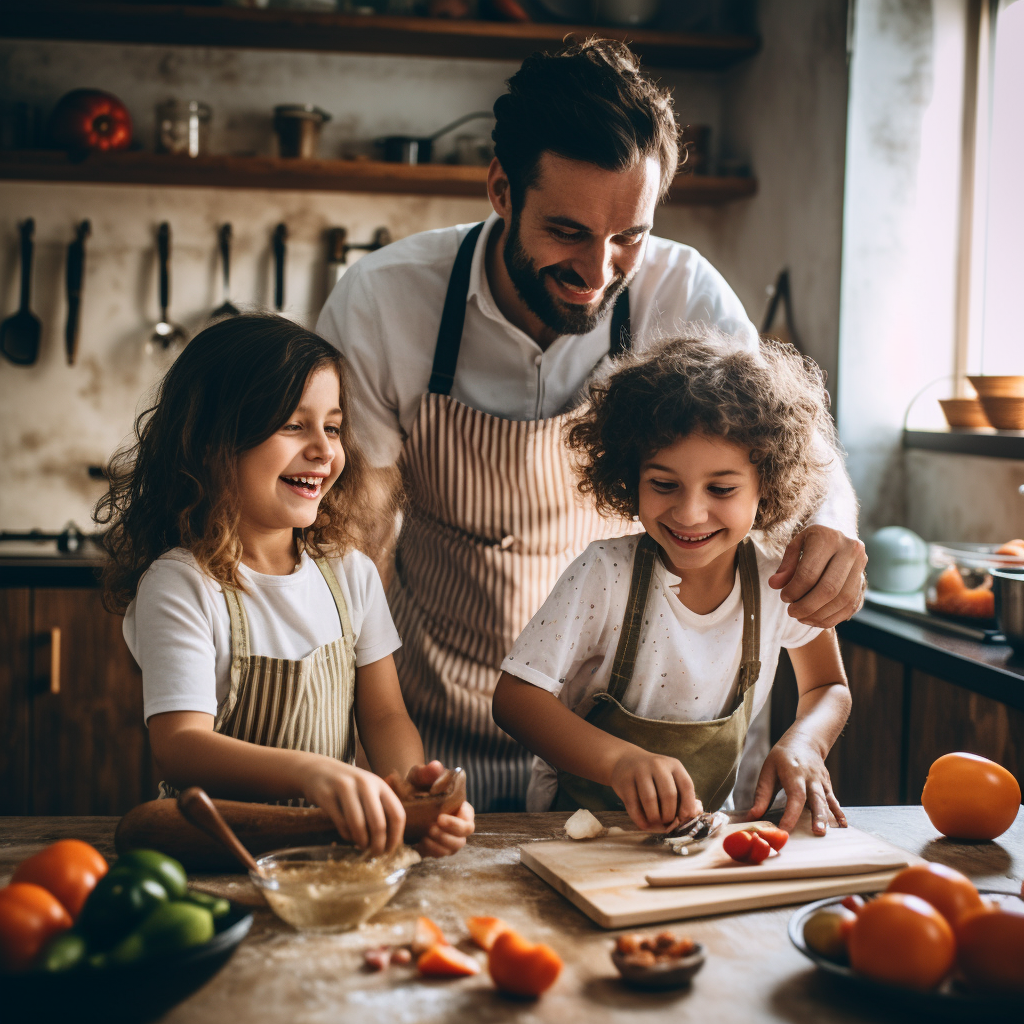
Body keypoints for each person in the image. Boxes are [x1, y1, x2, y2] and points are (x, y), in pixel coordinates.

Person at [317, 39, 865, 813]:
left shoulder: (686, 293)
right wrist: (369, 731)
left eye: (629, 237)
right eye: (568, 232)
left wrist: (832, 534)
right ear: (502, 190)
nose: (599, 270)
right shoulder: (386, 301)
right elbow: (353, 539)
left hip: (620, 750)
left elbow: (803, 458)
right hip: (430, 713)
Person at [96, 314, 474, 857]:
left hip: (329, 856)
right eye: (294, 425)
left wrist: (411, 796)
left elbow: (386, 715)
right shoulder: (182, 586)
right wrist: (313, 774)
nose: (324, 450)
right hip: (215, 854)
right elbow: (181, 746)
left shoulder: (351, 575)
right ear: (211, 442)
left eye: (334, 426)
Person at [492, 331, 852, 836]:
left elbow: (827, 686)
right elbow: (515, 699)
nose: (690, 512)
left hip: (696, 836)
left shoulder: (778, 579)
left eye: (721, 488)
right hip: (576, 831)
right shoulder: (605, 573)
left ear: (766, 483)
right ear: (628, 477)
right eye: (663, 484)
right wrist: (619, 762)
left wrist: (805, 741)